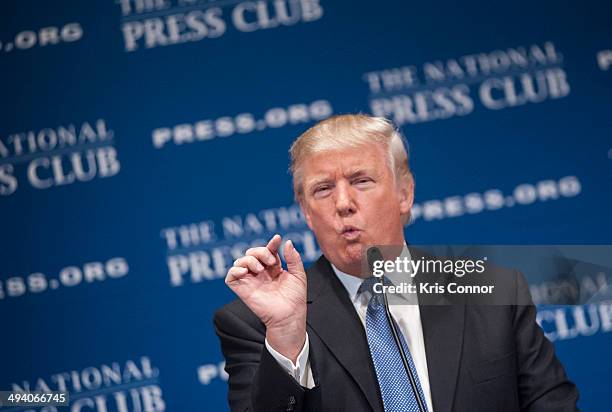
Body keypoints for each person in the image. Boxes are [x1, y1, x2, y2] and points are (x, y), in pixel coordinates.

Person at [213, 114, 579, 411]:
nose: (343, 203)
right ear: (307, 212)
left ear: (405, 194)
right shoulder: (260, 324)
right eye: (323, 189)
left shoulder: (493, 293)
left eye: (361, 180)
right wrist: (288, 337)